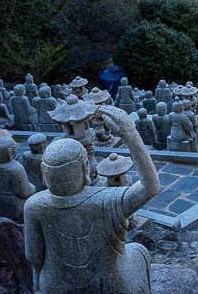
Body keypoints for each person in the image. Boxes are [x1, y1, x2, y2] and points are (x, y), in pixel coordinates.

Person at [24, 105, 159, 294]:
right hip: (108, 285)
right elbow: (150, 187)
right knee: (139, 250)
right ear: (84, 168)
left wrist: (37, 285)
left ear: (45, 175)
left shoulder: (34, 206)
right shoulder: (107, 200)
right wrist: (130, 134)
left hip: (55, 286)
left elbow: (34, 256)